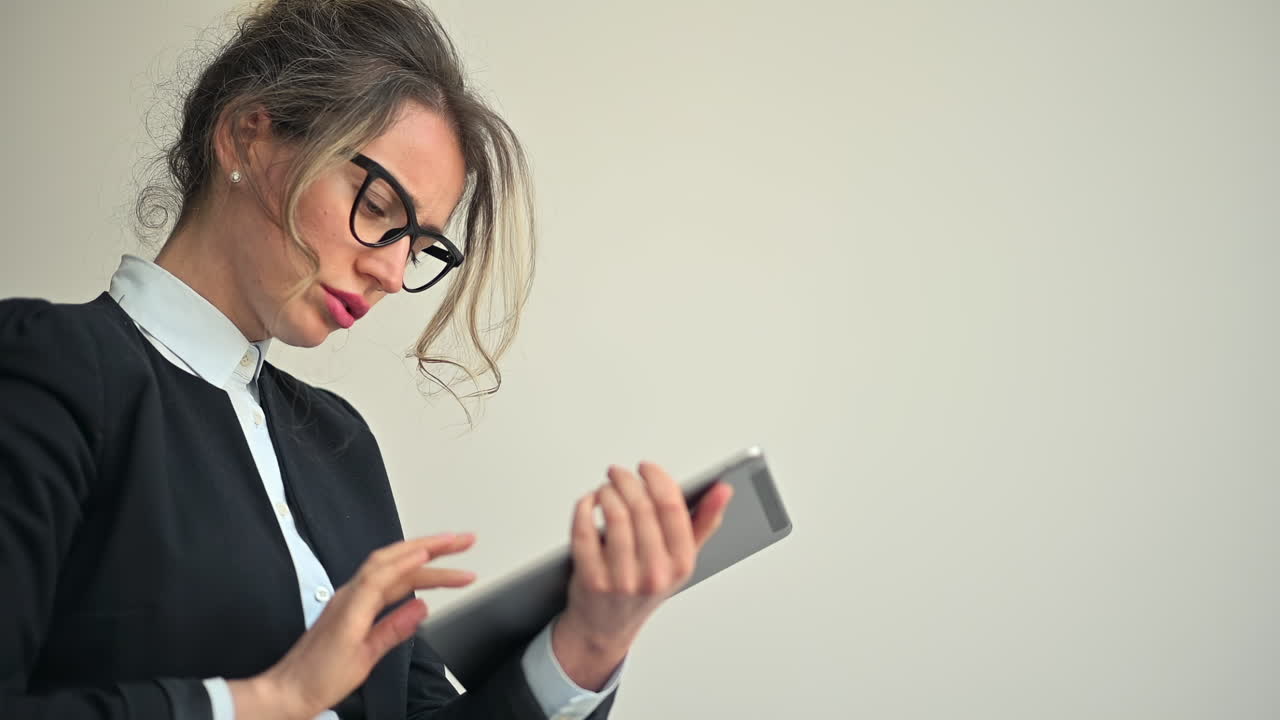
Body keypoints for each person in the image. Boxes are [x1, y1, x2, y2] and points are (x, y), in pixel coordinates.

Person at [0, 1, 733, 718]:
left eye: (419, 247)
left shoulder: (337, 443)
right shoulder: (49, 365)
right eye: (379, 208)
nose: (391, 273)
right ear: (246, 138)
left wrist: (588, 643)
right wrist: (265, 702)